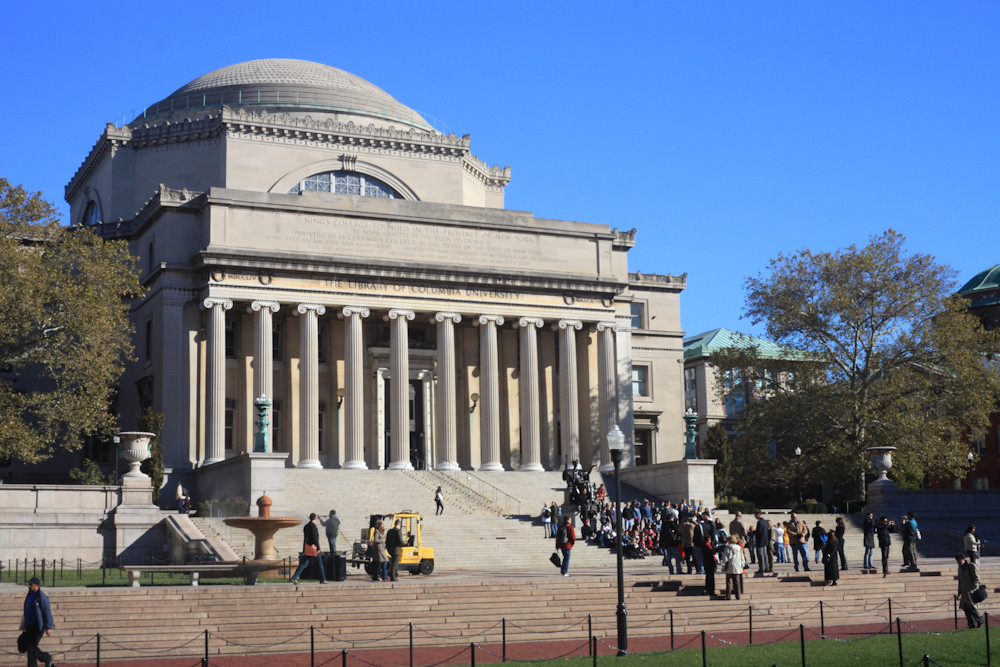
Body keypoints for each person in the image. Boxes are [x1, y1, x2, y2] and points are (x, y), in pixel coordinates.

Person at [20, 576, 55, 667]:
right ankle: (46, 657)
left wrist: (49, 627)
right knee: (24, 644)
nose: (29, 586)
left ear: (37, 586)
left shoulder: (41, 597)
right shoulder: (30, 594)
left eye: (31, 584)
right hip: (29, 625)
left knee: (31, 648)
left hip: (38, 626)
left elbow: (47, 612)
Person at [290, 513, 327, 584]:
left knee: (305, 563)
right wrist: (318, 548)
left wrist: (304, 548)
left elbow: (306, 537)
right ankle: (323, 579)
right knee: (320, 563)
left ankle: (294, 577)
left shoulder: (306, 526)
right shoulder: (313, 526)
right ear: (315, 518)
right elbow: (315, 538)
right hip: (313, 547)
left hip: (307, 547)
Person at [955, 552, 984, 629]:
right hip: (964, 592)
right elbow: (960, 582)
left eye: (959, 560)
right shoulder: (960, 569)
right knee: (965, 608)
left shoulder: (971, 566)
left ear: (964, 559)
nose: (958, 562)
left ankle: (980, 621)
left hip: (971, 591)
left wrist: (973, 589)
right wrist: (959, 593)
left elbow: (977, 579)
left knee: (971, 608)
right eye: (957, 561)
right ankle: (971, 624)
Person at [720, 535, 747, 600]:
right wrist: (742, 565)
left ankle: (728, 596)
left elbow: (725, 558)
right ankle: (738, 596)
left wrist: (723, 566)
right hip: (737, 567)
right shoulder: (739, 547)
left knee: (729, 582)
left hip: (729, 567)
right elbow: (742, 557)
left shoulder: (728, 548)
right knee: (737, 582)